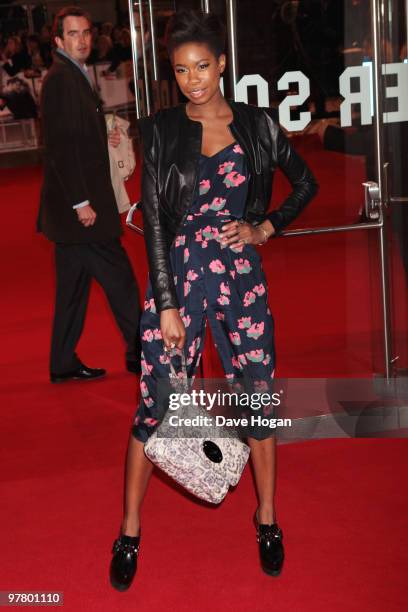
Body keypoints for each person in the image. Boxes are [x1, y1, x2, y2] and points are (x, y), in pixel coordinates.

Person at [109, 9, 318, 589]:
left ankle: (267, 517)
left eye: (202, 66)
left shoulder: (257, 124)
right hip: (176, 274)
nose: (193, 79)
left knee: (256, 396)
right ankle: (129, 529)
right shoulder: (160, 130)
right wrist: (168, 303)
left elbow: (306, 182)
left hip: (240, 276)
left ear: (222, 64)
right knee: (156, 404)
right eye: (181, 71)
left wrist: (264, 228)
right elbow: (153, 220)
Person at [37, 6, 142, 382]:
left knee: (73, 291)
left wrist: (106, 134)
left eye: (86, 33)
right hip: (82, 210)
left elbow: (79, 132)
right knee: (122, 282)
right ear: (59, 41)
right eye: (73, 34)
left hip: (71, 214)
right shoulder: (62, 79)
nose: (82, 40)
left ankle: (63, 363)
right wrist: (81, 202)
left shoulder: (72, 75)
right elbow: (61, 147)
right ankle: (142, 353)